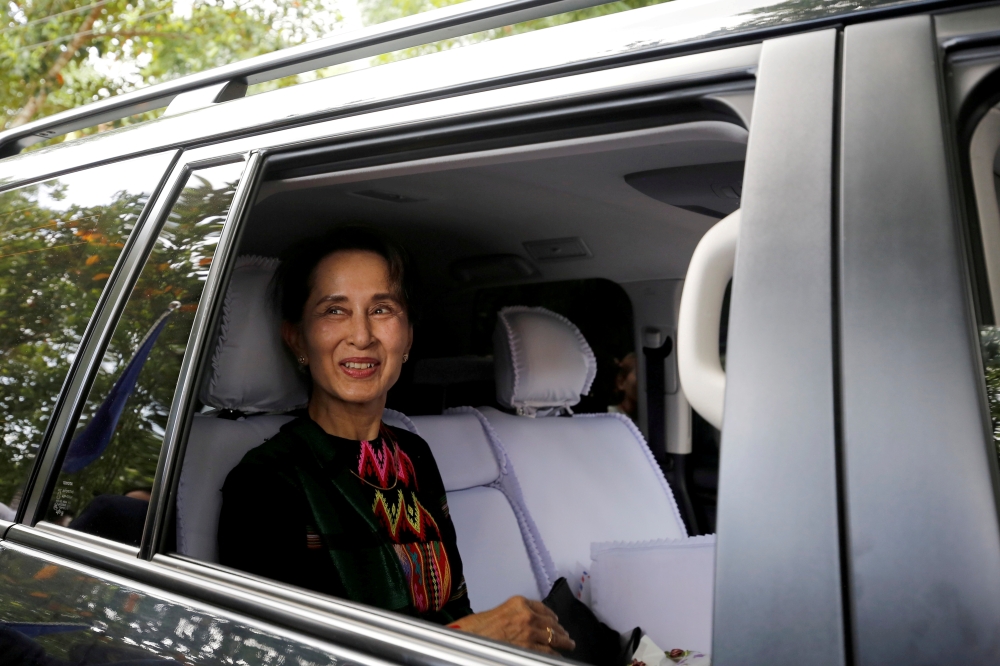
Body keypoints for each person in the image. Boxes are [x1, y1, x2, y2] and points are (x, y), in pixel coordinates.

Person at [217, 227, 574, 655]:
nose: (362, 336)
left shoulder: (413, 453)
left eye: (382, 309)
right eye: (334, 311)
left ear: (406, 337)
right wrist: (472, 640)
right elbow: (278, 657)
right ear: (298, 340)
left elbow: (451, 606)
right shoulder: (267, 482)